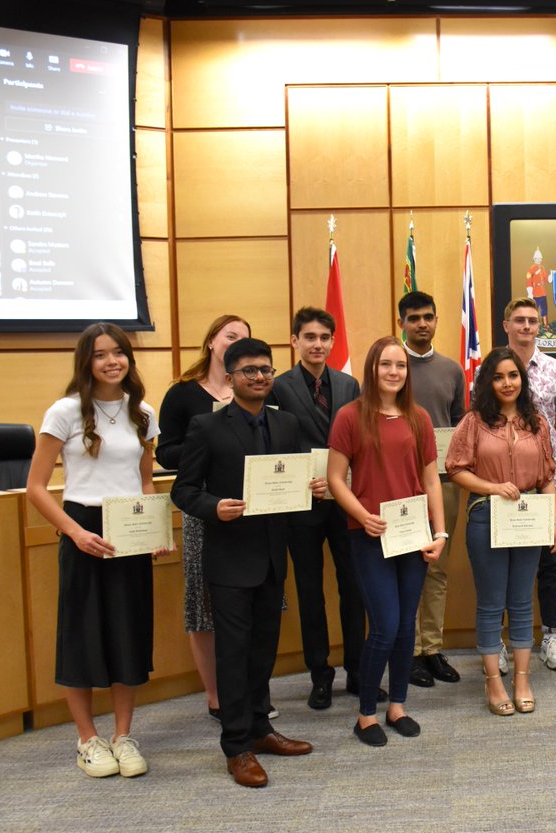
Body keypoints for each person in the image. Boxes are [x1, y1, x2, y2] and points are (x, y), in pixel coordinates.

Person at [171, 338, 318, 788]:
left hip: (274, 557)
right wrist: (214, 507)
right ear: (231, 378)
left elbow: (290, 481)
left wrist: (311, 489)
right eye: (250, 371)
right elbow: (184, 490)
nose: (260, 377)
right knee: (233, 656)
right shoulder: (206, 427)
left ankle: (260, 729)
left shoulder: (287, 423)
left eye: (266, 370)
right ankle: (236, 747)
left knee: (263, 651)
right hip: (230, 560)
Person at [26, 323, 166, 779]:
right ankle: (88, 739)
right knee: (82, 635)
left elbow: (145, 479)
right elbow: (36, 488)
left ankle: (123, 735)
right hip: (83, 526)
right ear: (86, 362)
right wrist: (73, 533)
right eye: (101, 354)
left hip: (128, 529)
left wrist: (155, 530)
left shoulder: (141, 411)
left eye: (119, 353)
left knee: (128, 632)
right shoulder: (64, 412)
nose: (112, 361)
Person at [326, 337, 447, 747]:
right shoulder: (349, 417)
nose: (394, 372)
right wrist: (361, 515)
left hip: (413, 534)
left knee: (404, 628)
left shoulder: (419, 418)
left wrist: (441, 532)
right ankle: (364, 715)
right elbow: (334, 479)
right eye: (385, 365)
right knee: (385, 625)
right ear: (371, 369)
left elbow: (431, 479)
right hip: (369, 534)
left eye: (400, 365)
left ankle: (397, 705)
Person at [446, 347, 556, 715]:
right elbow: (455, 469)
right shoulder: (474, 422)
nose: (507, 383)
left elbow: (547, 478)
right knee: (492, 604)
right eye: (499, 377)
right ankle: (494, 682)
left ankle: (522, 679)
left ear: (522, 379)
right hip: (487, 518)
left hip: (529, 519)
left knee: (522, 602)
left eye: (513, 375)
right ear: (488, 382)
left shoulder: (538, 423)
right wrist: (493, 487)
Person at [156, 314, 251, 720]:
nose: (235, 343)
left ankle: (248, 692)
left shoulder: (253, 388)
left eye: (244, 339)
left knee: (250, 602)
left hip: (250, 507)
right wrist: (208, 440)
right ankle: (216, 695)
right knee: (203, 602)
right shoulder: (182, 395)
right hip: (202, 508)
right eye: (230, 336)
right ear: (212, 341)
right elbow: (164, 454)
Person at [269, 306, 365, 709]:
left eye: (325, 338)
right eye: (310, 337)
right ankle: (320, 675)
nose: (318, 345)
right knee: (310, 593)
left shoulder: (348, 384)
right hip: (301, 505)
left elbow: (362, 441)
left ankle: (358, 672)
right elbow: (271, 446)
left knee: (353, 589)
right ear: (295, 341)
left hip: (345, 504)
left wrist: (342, 481)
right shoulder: (277, 387)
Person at [503, 297, 556, 671]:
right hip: (503, 483)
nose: (527, 327)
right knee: (504, 562)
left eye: (533, 320)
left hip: (548, 481)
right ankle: (505, 639)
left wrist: (546, 459)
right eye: (519, 320)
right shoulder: (492, 369)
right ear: (507, 326)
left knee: (550, 561)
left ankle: (550, 635)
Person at [399, 290, 466, 689]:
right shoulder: (390, 366)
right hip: (399, 489)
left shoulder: (452, 370)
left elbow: (460, 426)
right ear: (402, 323)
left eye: (428, 317)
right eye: (414, 318)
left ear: (437, 320)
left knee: (437, 569)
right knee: (406, 571)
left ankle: (431, 648)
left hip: (443, 484)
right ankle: (407, 651)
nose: (422, 323)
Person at [525, 248, 550, 329]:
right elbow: (528, 281)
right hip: (535, 294)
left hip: (543, 293)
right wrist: (530, 293)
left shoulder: (542, 268)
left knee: (544, 310)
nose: (539, 260)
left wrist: (552, 275)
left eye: (540, 259)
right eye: (537, 259)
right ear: (534, 259)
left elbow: (547, 279)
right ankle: (535, 327)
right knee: (534, 311)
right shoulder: (531, 269)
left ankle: (546, 325)